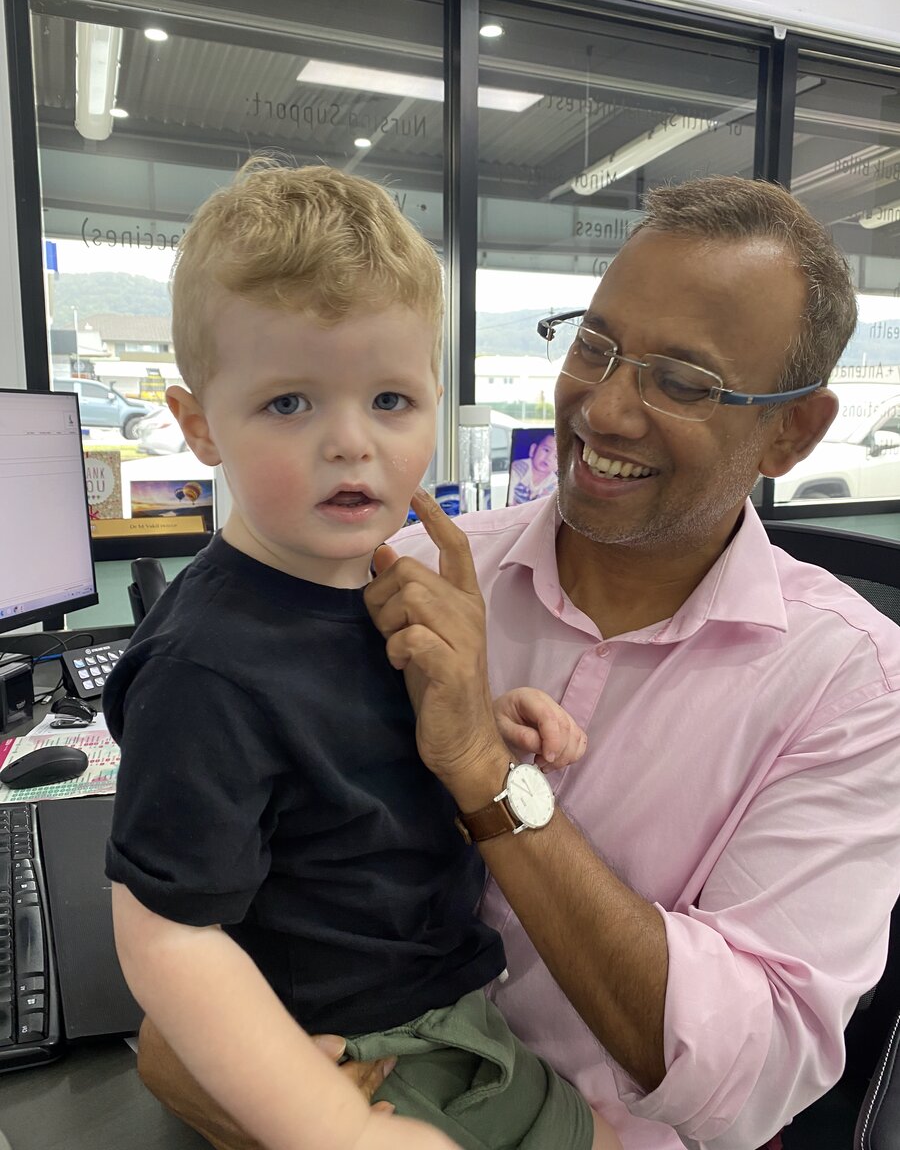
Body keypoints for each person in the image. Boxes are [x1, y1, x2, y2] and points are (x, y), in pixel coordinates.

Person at [361, 176, 900, 1150]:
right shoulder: (422, 575)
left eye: (683, 381)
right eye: (594, 346)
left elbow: (748, 1074)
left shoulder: (852, 686)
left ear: (793, 432)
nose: (604, 411)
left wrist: (488, 773)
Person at [104, 160, 619, 1150]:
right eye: (290, 404)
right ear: (199, 424)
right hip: (354, 1041)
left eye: (391, 400)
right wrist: (333, 1130)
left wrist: (490, 713)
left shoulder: (373, 580)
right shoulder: (204, 663)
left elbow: (350, 754)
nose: (352, 443)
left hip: (455, 1003)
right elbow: (165, 933)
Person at [509, 432, 557, 505]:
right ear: (533, 449)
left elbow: (544, 507)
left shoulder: (554, 483)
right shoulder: (519, 468)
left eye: (556, 456)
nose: (549, 458)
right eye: (546, 450)